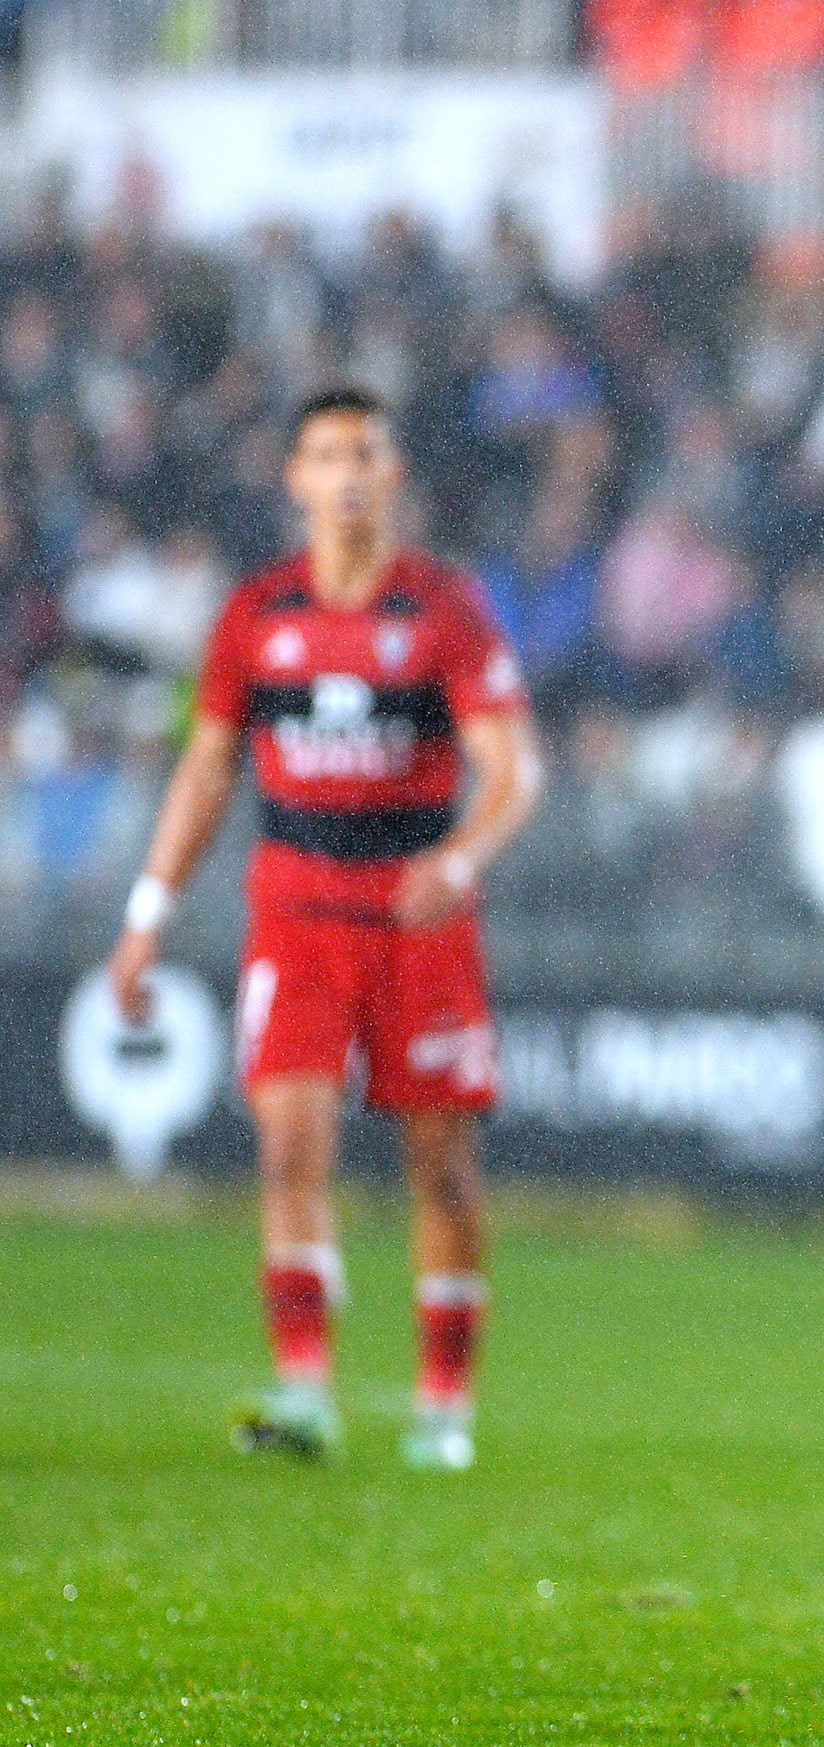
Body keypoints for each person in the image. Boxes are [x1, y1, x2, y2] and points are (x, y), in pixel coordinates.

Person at [104, 389, 544, 1470]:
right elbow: (207, 768)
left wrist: (458, 857)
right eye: (326, 455)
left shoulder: (443, 612)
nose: (348, 473)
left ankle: (444, 1403)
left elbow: (514, 769)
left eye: (367, 454)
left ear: (393, 476)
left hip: (416, 916)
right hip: (296, 911)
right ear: (294, 478)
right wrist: (147, 911)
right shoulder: (258, 615)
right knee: (289, 1145)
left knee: (439, 1168)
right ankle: (305, 1391)